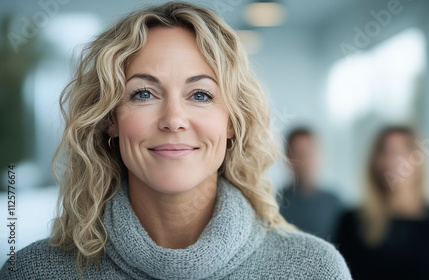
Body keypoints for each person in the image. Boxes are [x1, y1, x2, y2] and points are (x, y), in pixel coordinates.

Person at [0, 2, 352, 279]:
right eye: (143, 94)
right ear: (111, 120)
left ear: (232, 122)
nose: (173, 120)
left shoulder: (315, 270)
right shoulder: (33, 272)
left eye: (200, 95)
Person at [334, 126, 429, 280]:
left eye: (401, 152)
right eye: (385, 152)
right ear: (374, 162)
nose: (392, 161)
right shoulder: (352, 222)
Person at [279, 128, 344, 241]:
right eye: (298, 153)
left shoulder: (336, 203)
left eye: (310, 153)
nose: (304, 160)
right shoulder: (275, 203)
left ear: (321, 155)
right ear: (287, 158)